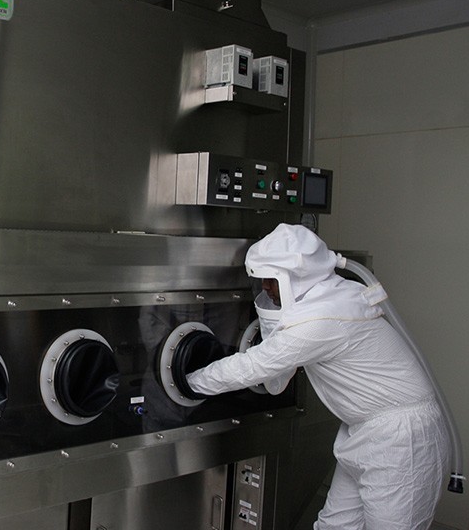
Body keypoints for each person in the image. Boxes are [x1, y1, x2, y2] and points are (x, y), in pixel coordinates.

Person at [185, 223, 449, 530]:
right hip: (366, 429)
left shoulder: (323, 319)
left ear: (297, 277)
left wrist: (189, 381)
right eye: (262, 280)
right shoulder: (331, 297)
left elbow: (254, 366)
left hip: (402, 439)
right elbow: (277, 364)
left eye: (271, 280)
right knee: (334, 526)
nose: (266, 288)